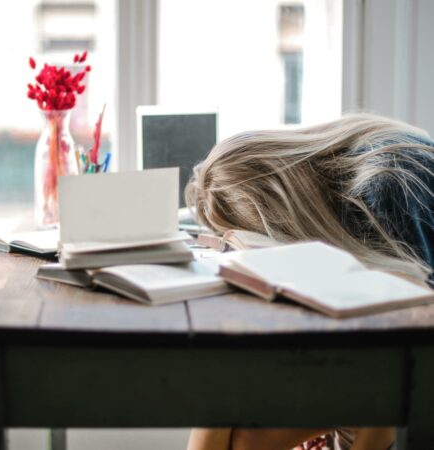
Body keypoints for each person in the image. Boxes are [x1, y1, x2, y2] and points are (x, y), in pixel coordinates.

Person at [184, 113, 434, 450]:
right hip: (379, 359)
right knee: (230, 405)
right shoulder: (349, 177)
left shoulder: (386, 184)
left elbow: (411, 346)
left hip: (405, 363)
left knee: (240, 432)